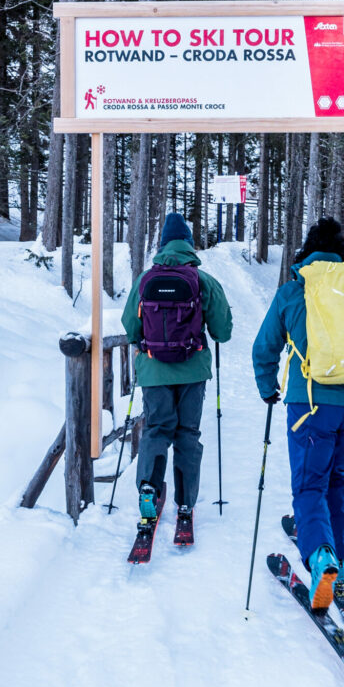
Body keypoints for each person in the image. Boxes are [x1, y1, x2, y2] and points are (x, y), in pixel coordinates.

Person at [252, 217, 344, 610]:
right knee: (336, 482)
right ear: (343, 254)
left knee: (309, 485)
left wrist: (269, 388)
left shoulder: (293, 291)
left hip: (308, 406)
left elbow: (263, 349)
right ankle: (341, 565)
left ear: (308, 252)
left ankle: (320, 560)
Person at [121, 212, 233, 523]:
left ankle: (149, 489)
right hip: (193, 370)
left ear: (161, 245)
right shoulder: (203, 280)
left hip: (154, 371)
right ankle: (185, 502)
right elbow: (223, 331)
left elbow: (130, 327)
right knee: (187, 434)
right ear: (189, 245)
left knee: (157, 429)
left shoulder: (145, 280)